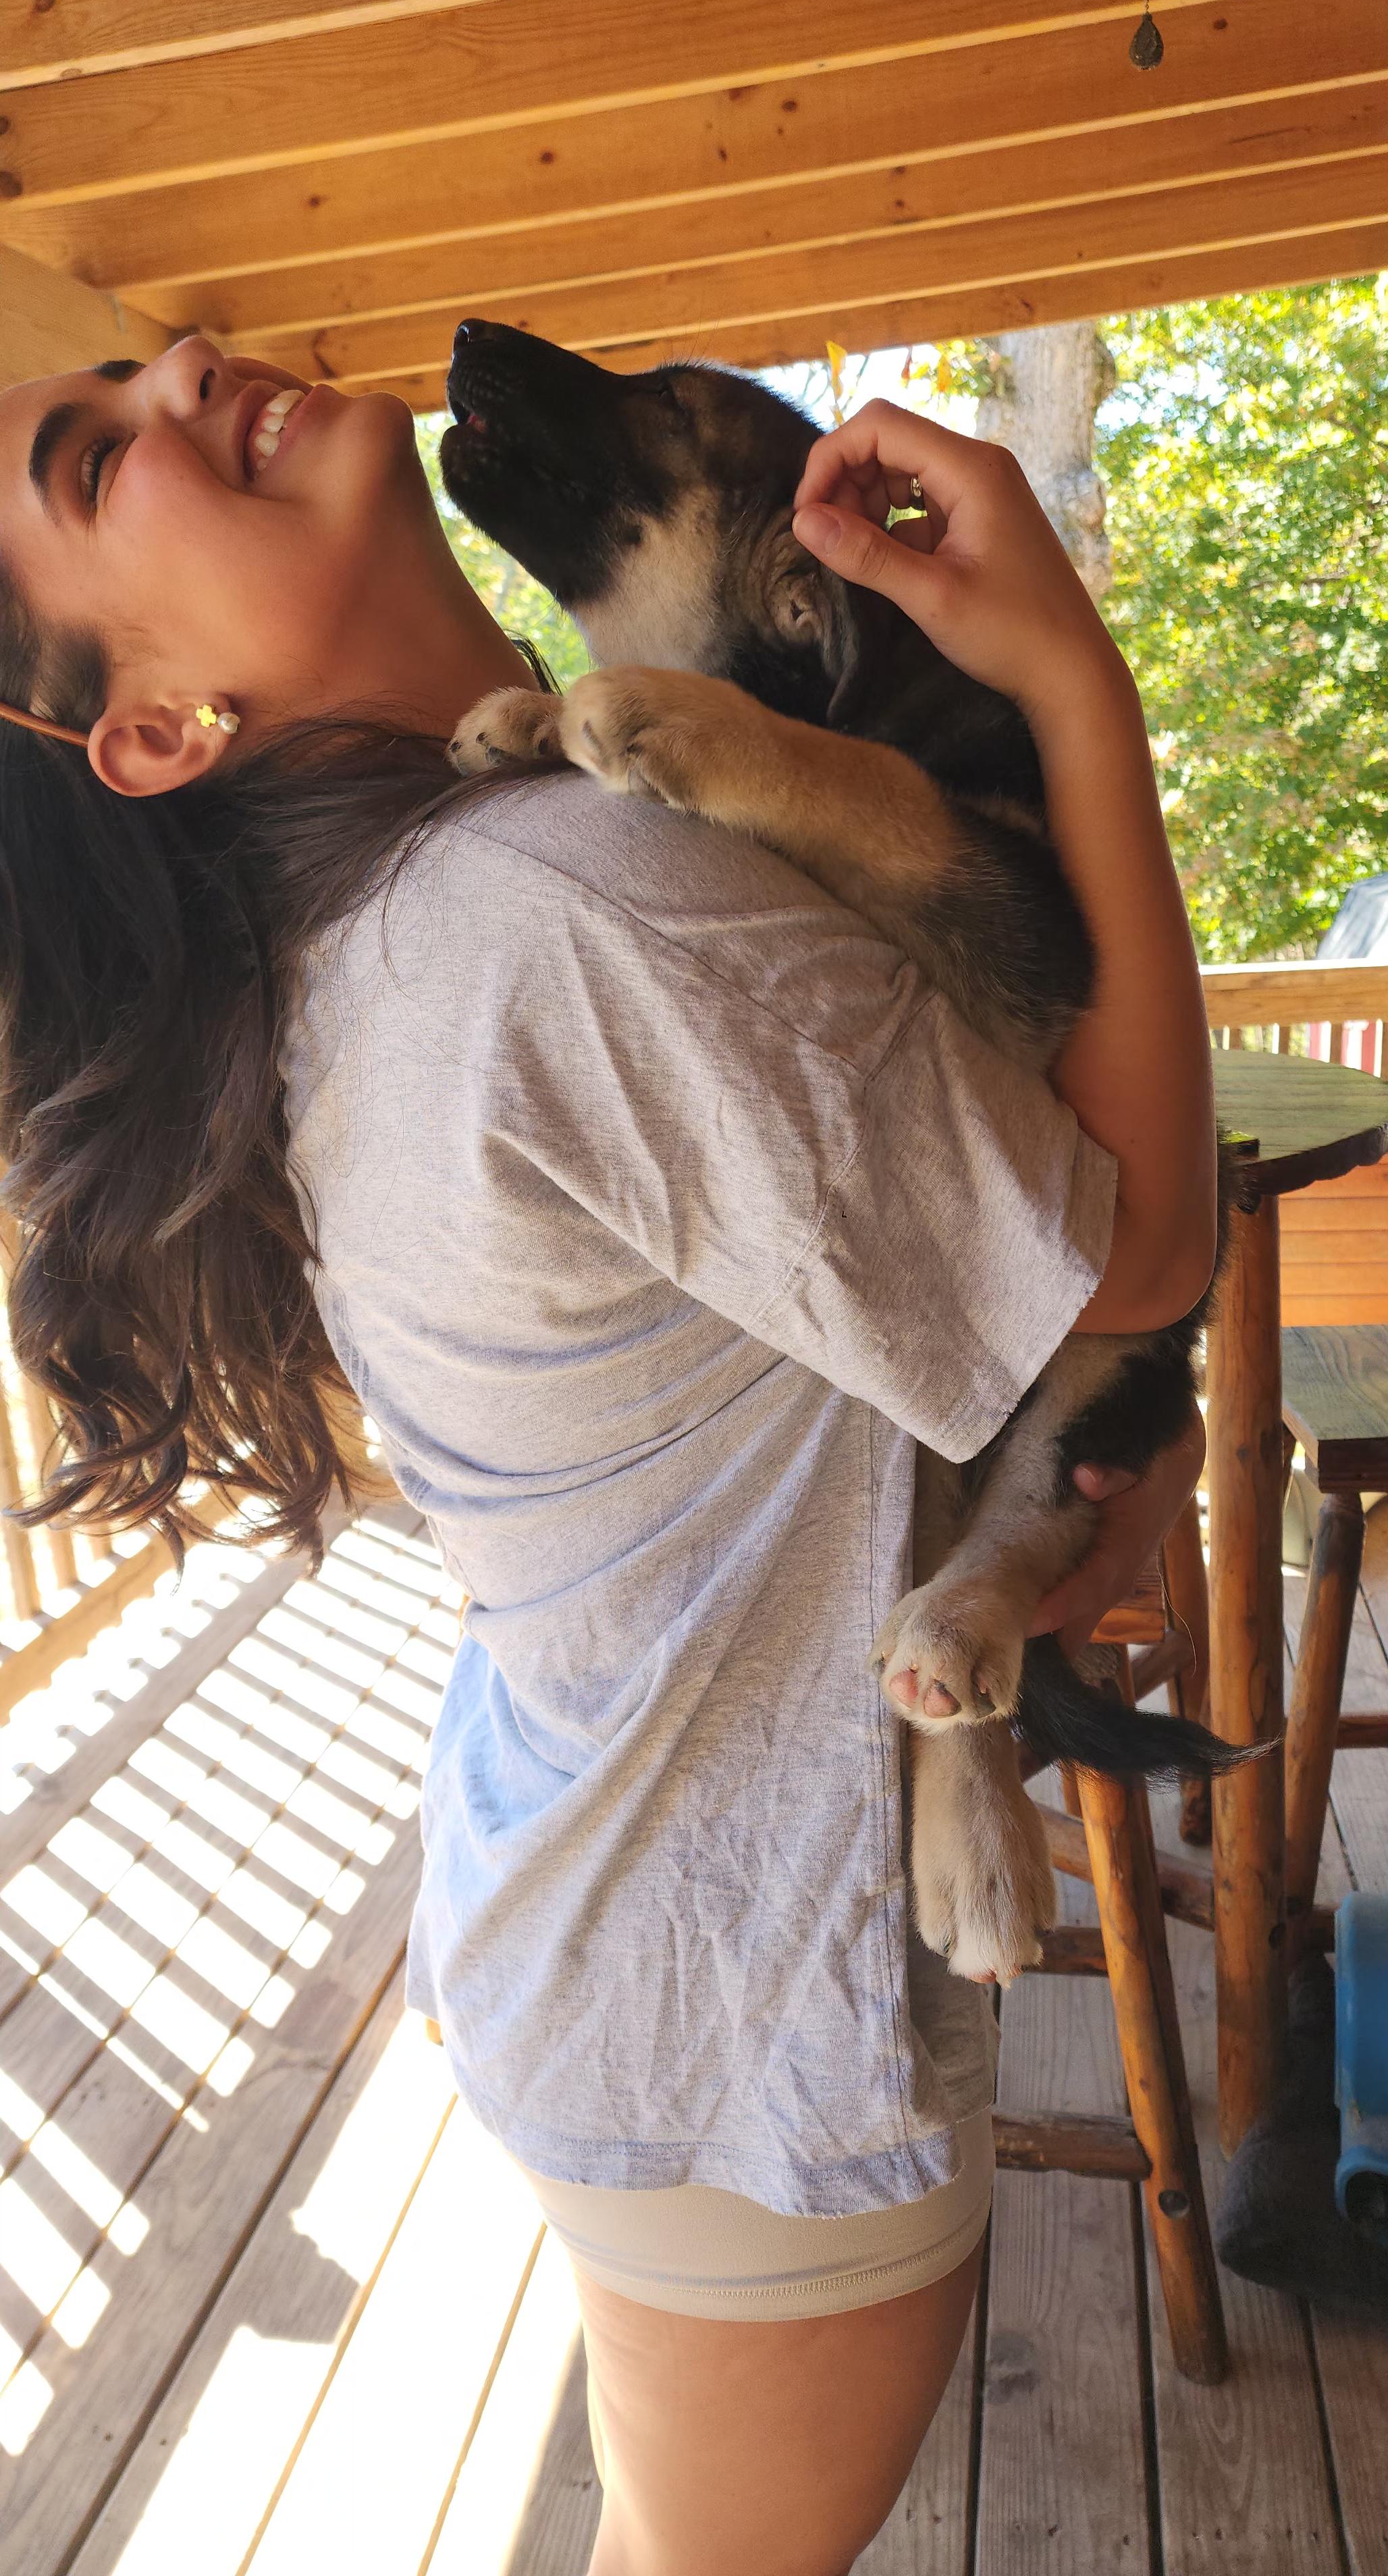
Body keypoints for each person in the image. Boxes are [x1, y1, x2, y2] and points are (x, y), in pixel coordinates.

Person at [0, 337, 1214, 2576]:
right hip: (718, 1977)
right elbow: (1132, 1252)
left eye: (130, 364)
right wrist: (1066, 680)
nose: (181, 369)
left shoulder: (417, 913)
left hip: (613, 1905)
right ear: (151, 729)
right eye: (99, 458)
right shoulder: (564, 903)